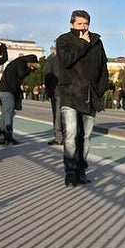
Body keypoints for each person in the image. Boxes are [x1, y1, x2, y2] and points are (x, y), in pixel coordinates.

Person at [55, 10, 109, 187]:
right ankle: (70, 173)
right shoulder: (64, 40)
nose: (83, 27)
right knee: (71, 134)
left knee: (85, 137)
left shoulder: (96, 42)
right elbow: (65, 61)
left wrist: (100, 89)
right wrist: (81, 43)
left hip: (90, 95)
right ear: (72, 24)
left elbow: (103, 67)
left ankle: (81, 170)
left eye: (86, 24)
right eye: (79, 24)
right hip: (70, 95)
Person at [0, 52, 39, 144]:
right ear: (31, 62)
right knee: (9, 113)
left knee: (5, 113)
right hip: (8, 90)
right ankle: (8, 137)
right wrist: (30, 70)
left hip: (2, 90)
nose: (32, 69)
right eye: (32, 66)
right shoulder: (21, 63)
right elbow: (21, 75)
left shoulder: (16, 62)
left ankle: (3, 137)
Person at [42, 49, 63, 145]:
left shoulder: (52, 59)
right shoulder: (69, 59)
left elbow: (47, 75)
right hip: (68, 90)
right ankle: (68, 136)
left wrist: (47, 89)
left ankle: (58, 137)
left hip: (56, 90)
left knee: (57, 114)